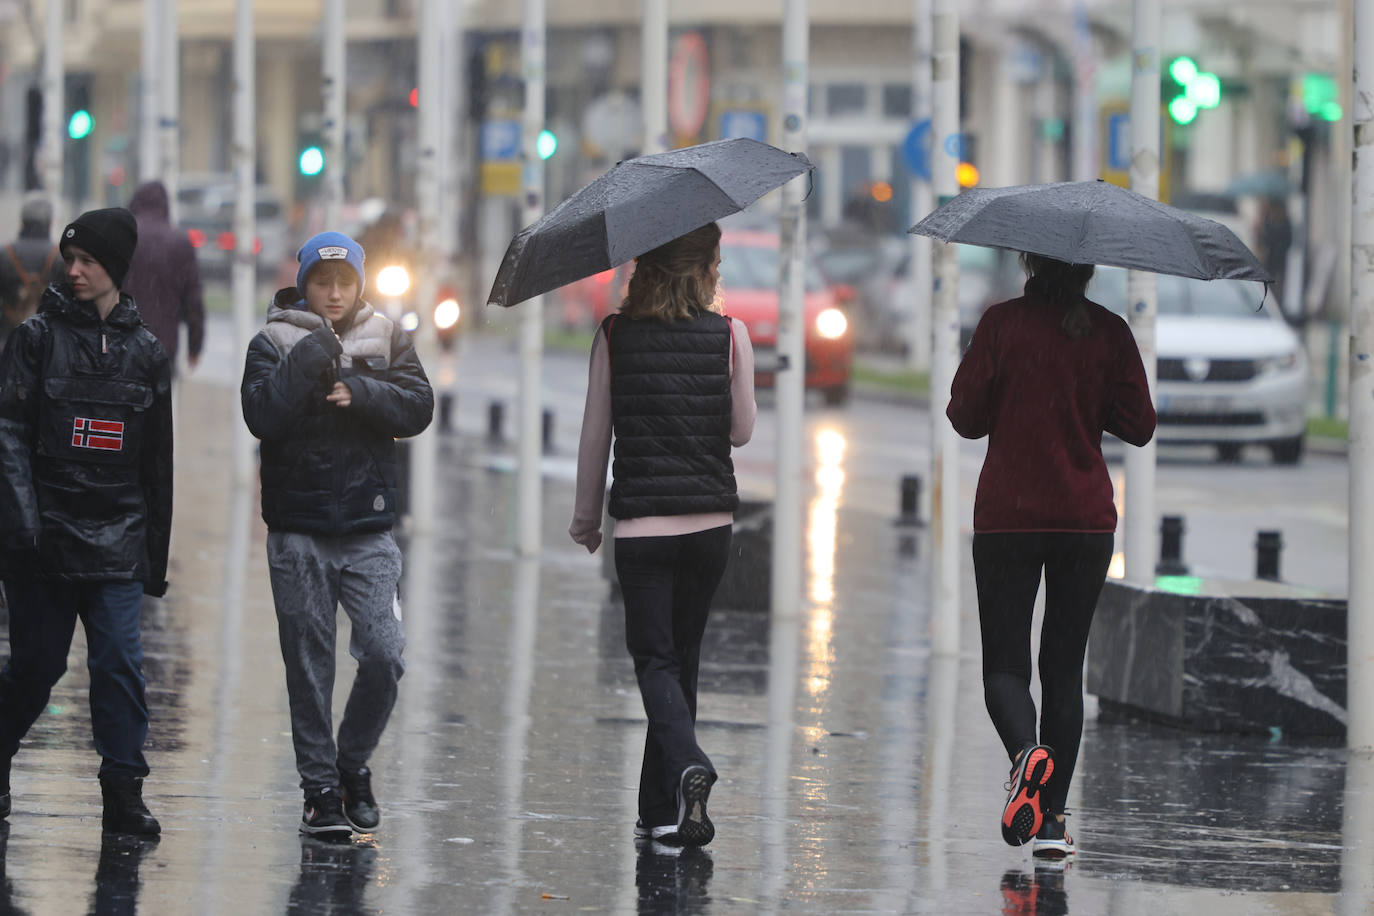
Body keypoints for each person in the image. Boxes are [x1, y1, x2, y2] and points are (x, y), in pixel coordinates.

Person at [946, 252, 1155, 859]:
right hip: (1084, 521)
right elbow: (1139, 425)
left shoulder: (1002, 324)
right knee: (1064, 669)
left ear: (1028, 262)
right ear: (1089, 270)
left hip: (1009, 516)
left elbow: (963, 417)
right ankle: (1052, 822)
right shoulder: (1110, 331)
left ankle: (1024, 756)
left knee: (1005, 669)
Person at [569, 221, 756, 848]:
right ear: (704, 267)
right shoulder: (731, 335)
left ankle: (688, 767)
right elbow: (741, 431)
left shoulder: (616, 335)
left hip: (644, 529)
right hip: (710, 527)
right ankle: (664, 812)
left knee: (654, 661)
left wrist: (586, 516)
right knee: (683, 662)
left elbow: (596, 434)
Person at [241, 231, 433, 838]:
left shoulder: (388, 336)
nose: (332, 293)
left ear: (360, 284)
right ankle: (320, 789)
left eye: (344, 282)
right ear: (303, 283)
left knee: (385, 653)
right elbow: (262, 415)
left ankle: (352, 764)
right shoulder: (271, 340)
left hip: (368, 528)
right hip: (297, 530)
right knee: (309, 665)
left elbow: (419, 405)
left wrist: (363, 390)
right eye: (321, 283)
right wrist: (312, 354)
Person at [0, 207, 172, 836]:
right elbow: (9, 435)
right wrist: (24, 529)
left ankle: (124, 791)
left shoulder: (147, 353)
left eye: (87, 261)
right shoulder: (35, 340)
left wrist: (153, 557)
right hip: (43, 540)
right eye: (70, 259)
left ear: (115, 270)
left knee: (120, 664)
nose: (72, 271)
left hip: (118, 540)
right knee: (38, 668)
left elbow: (158, 463)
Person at [123, 181, 206, 371]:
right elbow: (193, 300)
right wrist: (195, 346)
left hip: (124, 341)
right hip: (163, 344)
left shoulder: (125, 237)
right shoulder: (179, 243)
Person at [0, 193, 67, 348]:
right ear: (50, 221)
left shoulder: (5, 254)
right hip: (48, 341)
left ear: (22, 220)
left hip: (8, 337)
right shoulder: (60, 256)